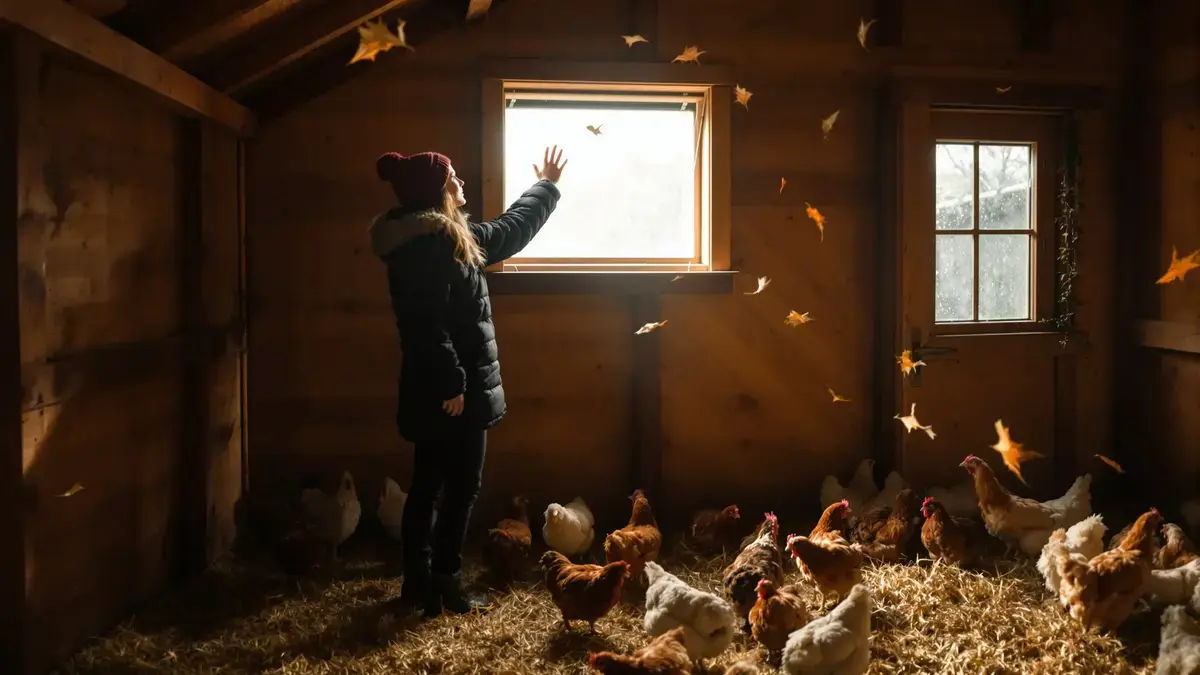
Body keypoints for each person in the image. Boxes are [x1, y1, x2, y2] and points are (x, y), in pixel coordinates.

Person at [370, 145, 567, 617]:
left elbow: (509, 229)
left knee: (432, 486)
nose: (460, 182)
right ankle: (440, 582)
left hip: (444, 388)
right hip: (450, 392)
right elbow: (425, 325)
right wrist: (452, 385)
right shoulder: (429, 248)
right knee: (454, 488)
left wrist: (545, 186)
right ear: (437, 193)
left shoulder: (448, 237)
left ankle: (423, 584)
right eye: (452, 177)